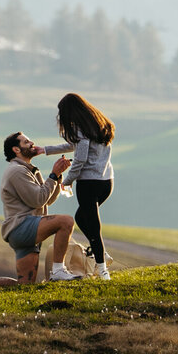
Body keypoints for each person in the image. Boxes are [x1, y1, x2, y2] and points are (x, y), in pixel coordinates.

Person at [0, 130, 82, 283]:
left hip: (21, 230)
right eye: (26, 142)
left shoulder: (29, 170)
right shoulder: (16, 171)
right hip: (22, 227)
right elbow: (38, 200)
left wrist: (58, 175)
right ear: (16, 149)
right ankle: (58, 271)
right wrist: (53, 175)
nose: (32, 143)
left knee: (25, 285)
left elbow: (47, 200)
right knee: (66, 222)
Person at [45, 92, 115, 281]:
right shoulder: (98, 125)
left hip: (88, 184)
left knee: (93, 225)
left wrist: (66, 182)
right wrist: (45, 150)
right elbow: (75, 146)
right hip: (106, 182)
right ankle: (102, 256)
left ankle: (102, 269)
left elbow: (79, 159)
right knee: (81, 218)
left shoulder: (79, 129)